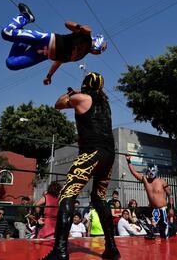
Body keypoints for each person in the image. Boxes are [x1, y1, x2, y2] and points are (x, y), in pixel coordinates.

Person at [41, 72, 120, 260]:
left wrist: (71, 94)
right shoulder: (105, 105)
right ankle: (111, 248)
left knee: (67, 194)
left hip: (91, 153)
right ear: (101, 87)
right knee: (99, 199)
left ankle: (60, 250)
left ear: (85, 85)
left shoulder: (80, 97)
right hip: (109, 155)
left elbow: (58, 104)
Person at [1, 3, 107, 85]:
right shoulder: (85, 36)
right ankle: (26, 16)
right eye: (101, 49)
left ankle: (21, 40)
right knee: (6, 32)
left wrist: (49, 76)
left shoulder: (79, 57)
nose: (98, 52)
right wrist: (79, 27)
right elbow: (67, 23)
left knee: (11, 63)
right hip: (45, 40)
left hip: (41, 55)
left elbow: (59, 61)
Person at [125, 156, 174, 239]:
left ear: (156, 171)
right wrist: (129, 161)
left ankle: (171, 228)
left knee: (165, 236)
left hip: (163, 210)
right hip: (153, 209)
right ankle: (150, 232)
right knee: (137, 211)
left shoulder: (161, 181)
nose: (151, 173)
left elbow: (170, 194)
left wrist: (171, 208)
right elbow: (134, 173)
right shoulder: (145, 180)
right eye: (149, 171)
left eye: (153, 171)